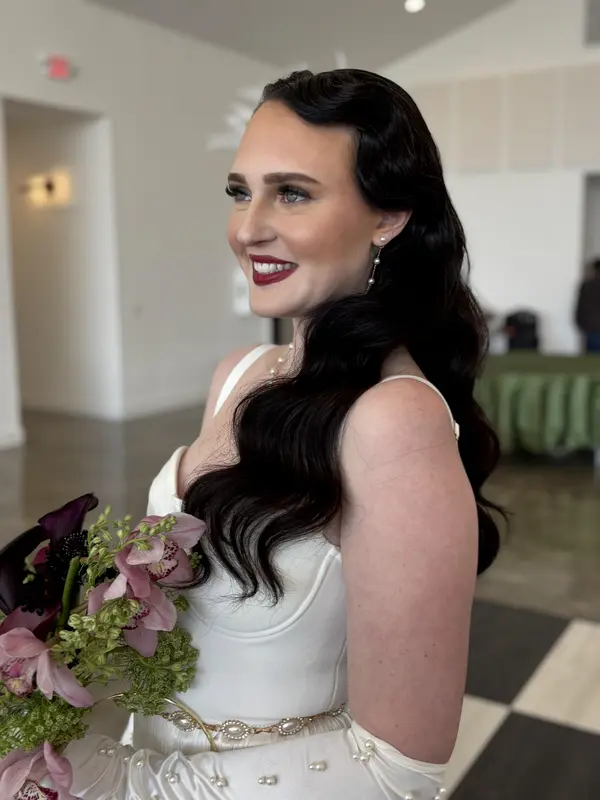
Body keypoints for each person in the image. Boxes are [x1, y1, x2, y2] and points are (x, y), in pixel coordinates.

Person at [62, 69, 502, 800]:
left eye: (292, 193)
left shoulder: (393, 420)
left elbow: (398, 768)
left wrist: (125, 786)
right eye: (240, 191)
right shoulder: (238, 374)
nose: (248, 228)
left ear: (388, 216)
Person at [575, 258, 600, 352]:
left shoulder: (587, 285)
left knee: (591, 357)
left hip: (591, 328)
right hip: (592, 328)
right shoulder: (587, 286)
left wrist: (581, 324)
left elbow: (580, 308)